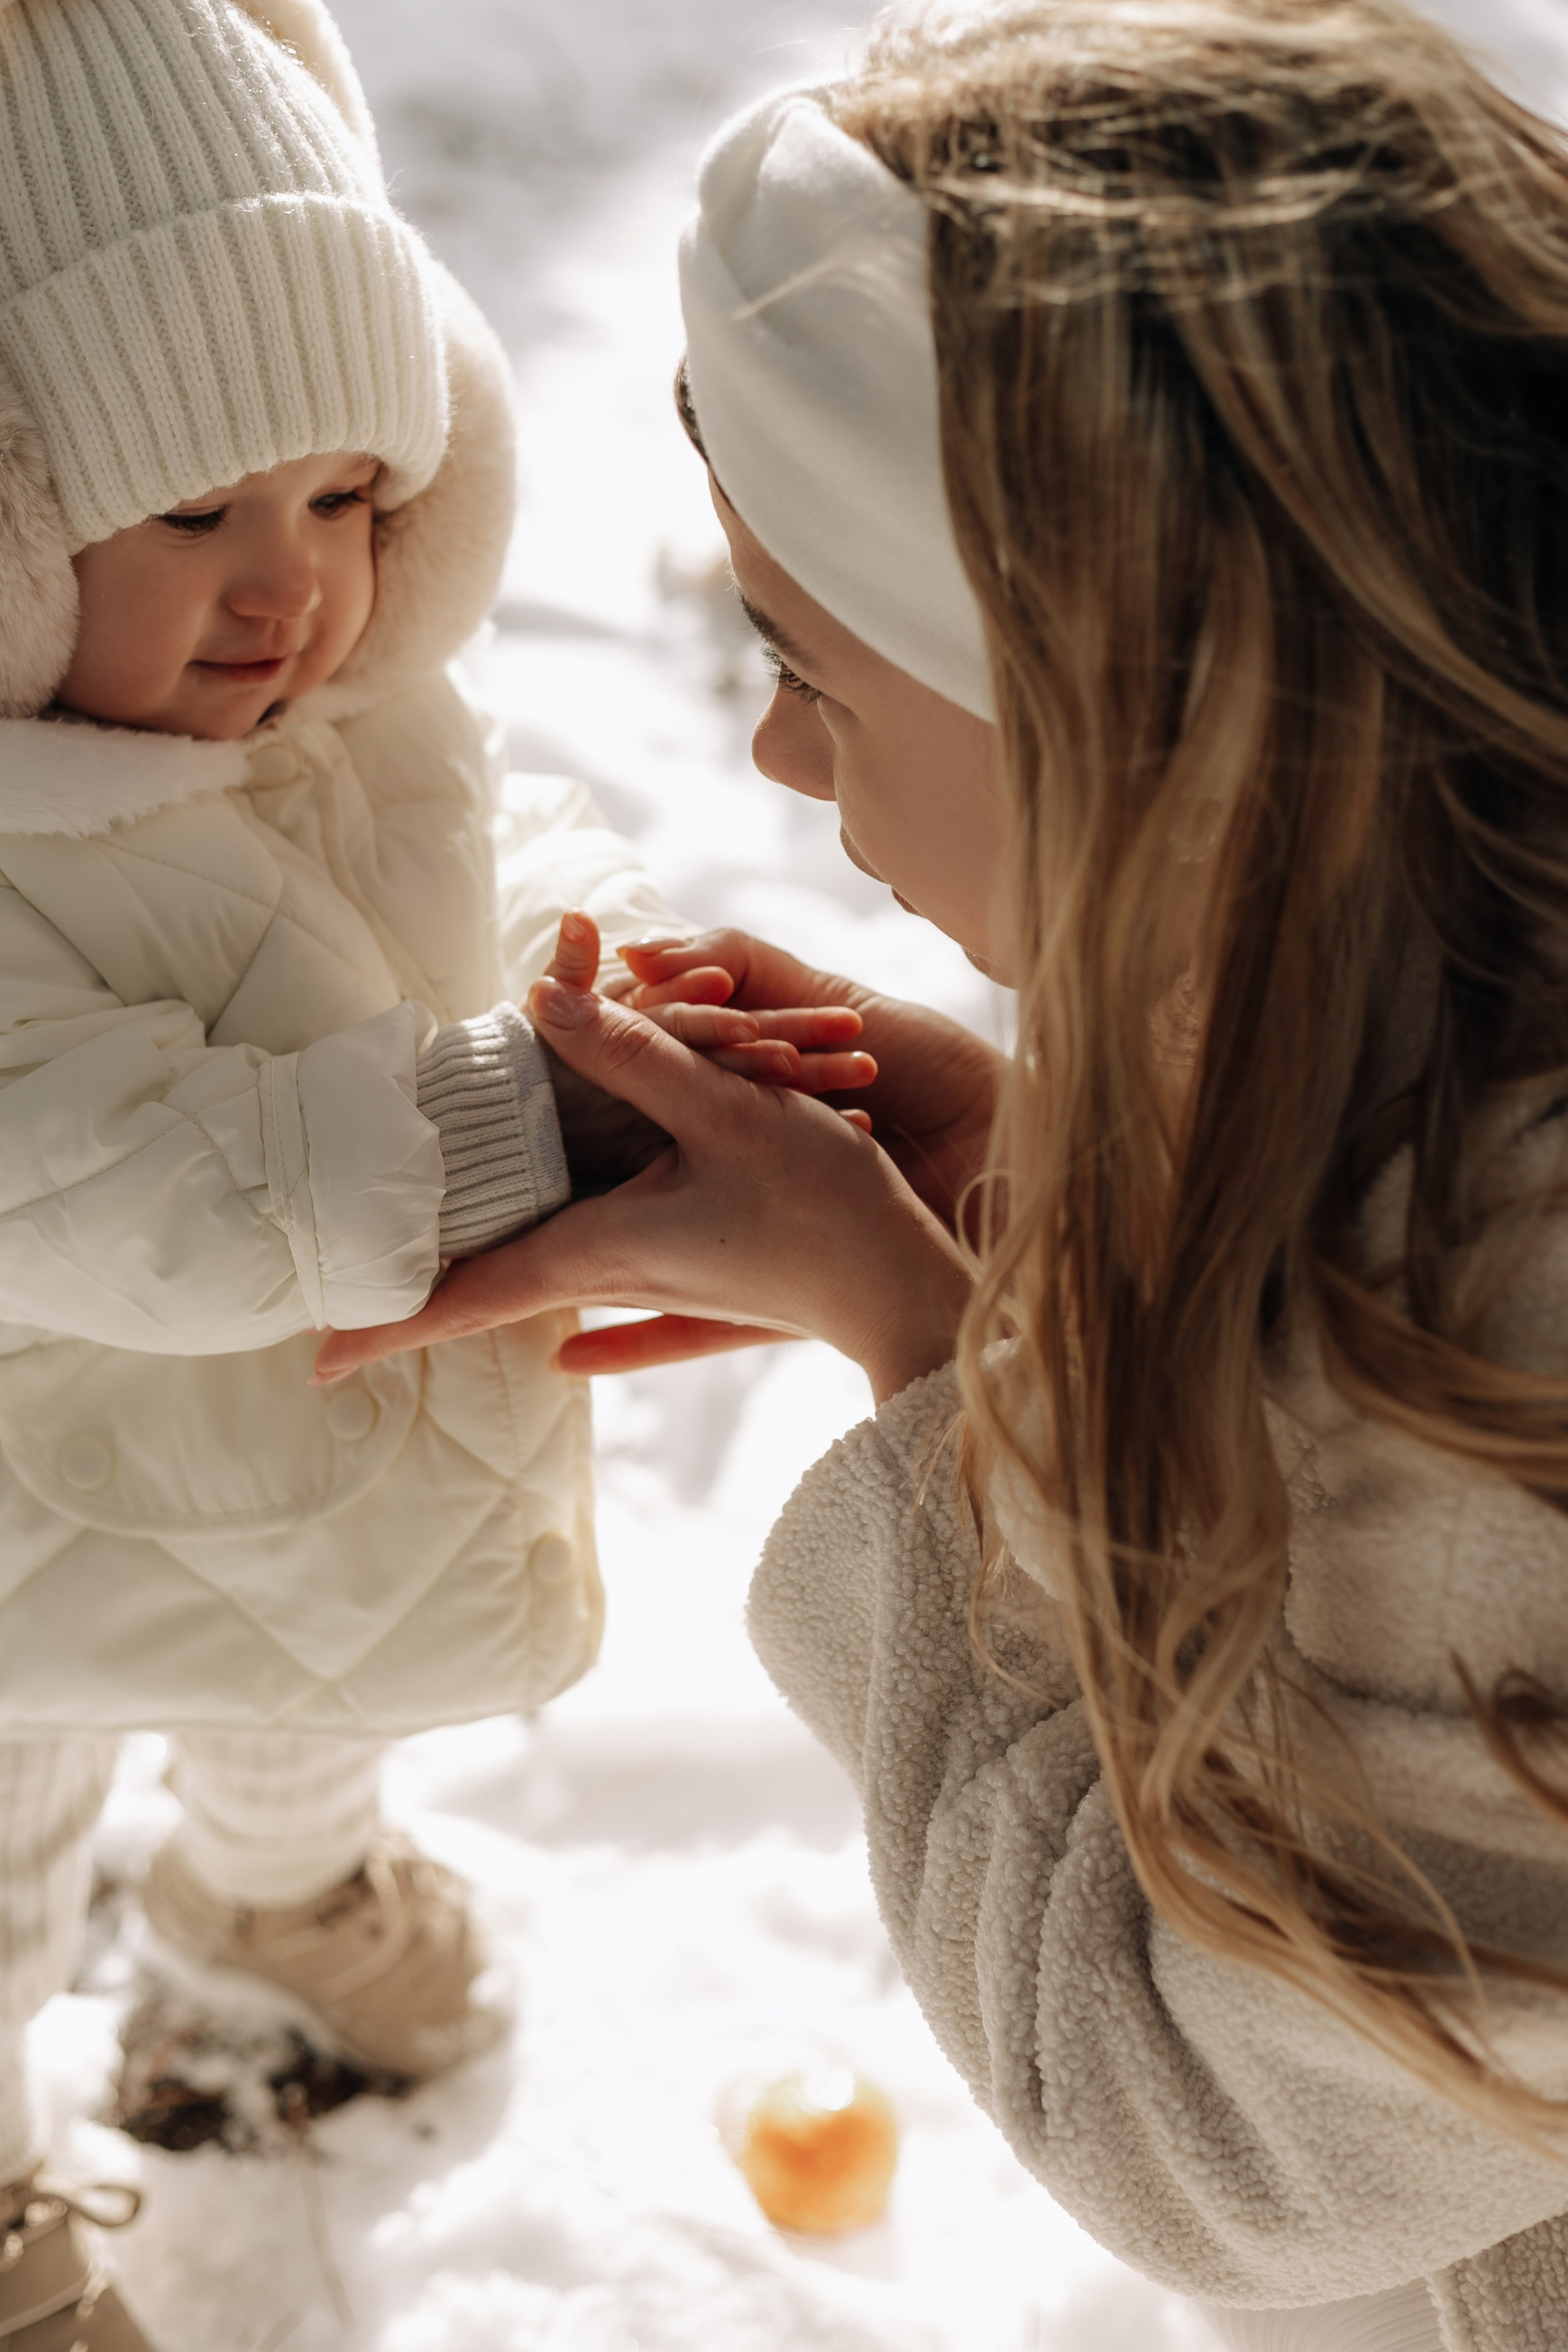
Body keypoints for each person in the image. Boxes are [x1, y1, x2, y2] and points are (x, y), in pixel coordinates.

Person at [320, 1, 1568, 2345]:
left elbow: (1225, 2129)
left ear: (1135, 694)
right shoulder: (1432, 1017)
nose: (784, 759)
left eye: (813, 662)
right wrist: (1062, 1248)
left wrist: (929, 1394)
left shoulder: (1513, 1320)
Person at [0, 1, 873, 2343]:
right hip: (34, 1516)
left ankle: (267, 1919)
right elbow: (99, 1177)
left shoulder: (340, 705)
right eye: (192, 515)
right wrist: (494, 1119)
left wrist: (608, 985)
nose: (290, 586)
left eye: (342, 496)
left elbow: (474, 872)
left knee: (313, 1692)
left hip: (320, 1443)